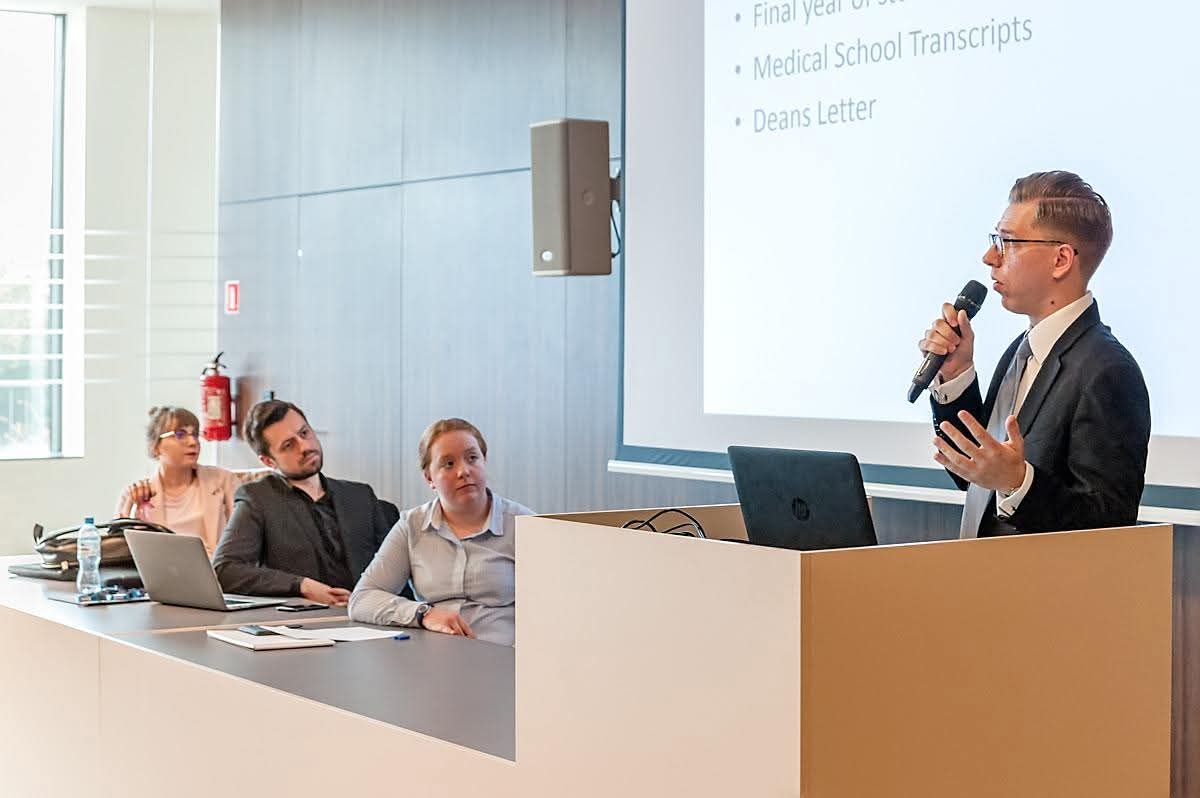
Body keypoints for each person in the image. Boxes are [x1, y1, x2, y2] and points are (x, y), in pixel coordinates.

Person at [919, 170, 1150, 538]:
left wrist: (1018, 483)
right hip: (977, 571)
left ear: (1061, 260)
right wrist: (956, 374)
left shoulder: (1108, 370)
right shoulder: (1021, 351)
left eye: (1007, 242)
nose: (989, 257)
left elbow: (1109, 525)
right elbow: (975, 476)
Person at [349, 418, 532, 646]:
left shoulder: (525, 524)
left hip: (505, 654)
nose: (464, 471)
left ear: (484, 461)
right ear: (429, 478)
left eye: (472, 458)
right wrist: (423, 613)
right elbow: (362, 599)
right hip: (434, 657)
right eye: (448, 464)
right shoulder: (411, 526)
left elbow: (555, 605)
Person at [212, 400, 399, 605]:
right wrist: (301, 586)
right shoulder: (257, 499)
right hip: (305, 618)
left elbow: (397, 569)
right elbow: (225, 570)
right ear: (268, 461)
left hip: (369, 614)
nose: (305, 446)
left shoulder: (360, 495)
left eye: (304, 433)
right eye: (288, 445)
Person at [114, 406, 262, 556]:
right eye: (180, 434)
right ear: (155, 446)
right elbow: (119, 550)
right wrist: (131, 505)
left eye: (195, 434)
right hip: (161, 569)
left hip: (215, 568)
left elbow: (247, 539)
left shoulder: (224, 481)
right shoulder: (137, 494)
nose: (193, 442)